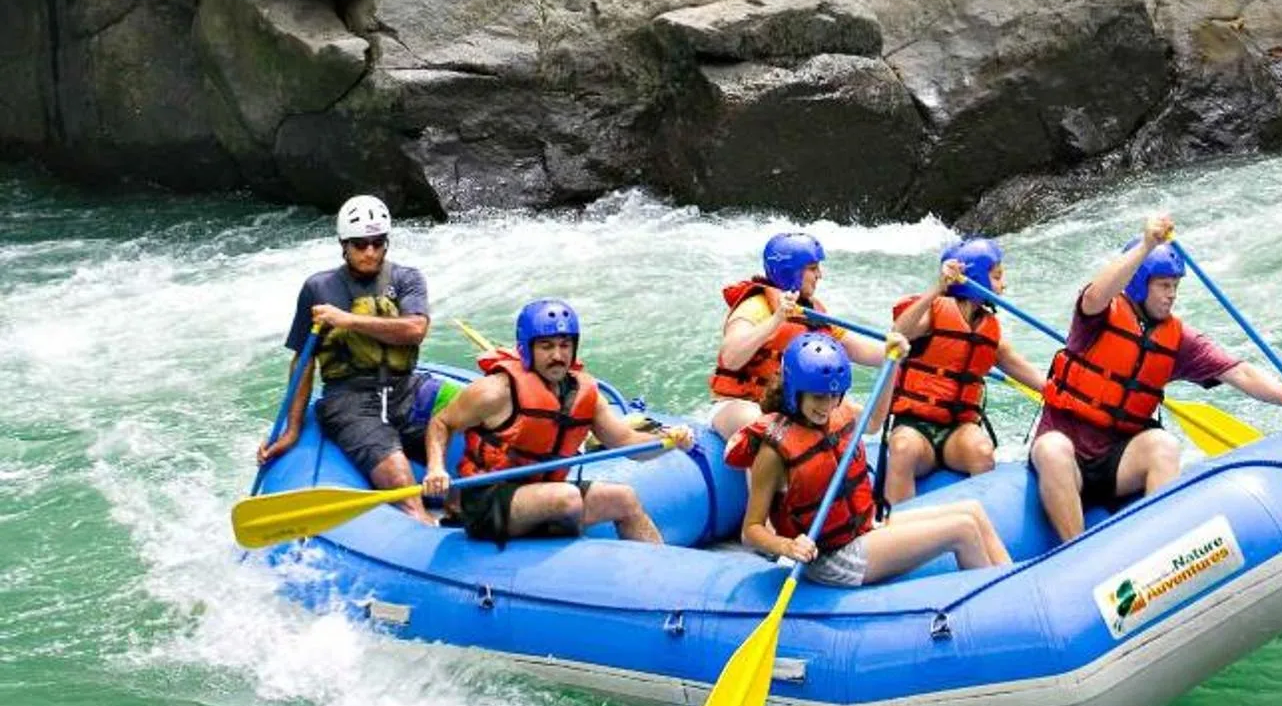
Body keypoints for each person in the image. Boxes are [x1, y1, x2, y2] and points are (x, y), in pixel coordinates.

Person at [1029, 212, 1282, 544]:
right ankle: (1078, 551)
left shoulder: (1178, 339)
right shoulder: (1097, 318)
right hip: (1066, 451)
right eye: (1164, 286)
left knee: (1164, 445)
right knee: (1052, 449)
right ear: (1140, 284)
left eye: (1175, 287)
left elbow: (1239, 372)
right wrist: (1146, 245)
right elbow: (1095, 296)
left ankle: (1160, 546)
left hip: (1117, 460)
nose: (1172, 295)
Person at [739, 334, 1010, 587]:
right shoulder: (773, 452)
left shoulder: (836, 413)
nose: (827, 405)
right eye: (818, 397)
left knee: (972, 510)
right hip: (832, 558)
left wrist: (891, 365)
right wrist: (788, 547)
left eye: (835, 395)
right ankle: (995, 611)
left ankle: (1013, 592)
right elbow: (751, 529)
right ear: (794, 392)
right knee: (961, 529)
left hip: (863, 528)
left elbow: (874, 422)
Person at [421, 300, 690, 545]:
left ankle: (655, 574)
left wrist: (669, 441)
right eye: (546, 346)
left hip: (543, 492)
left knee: (625, 498)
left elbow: (628, 443)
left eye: (564, 345)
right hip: (488, 500)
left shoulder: (586, 395)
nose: (558, 356)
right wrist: (435, 468)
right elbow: (441, 423)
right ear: (527, 349)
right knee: (567, 498)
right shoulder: (496, 392)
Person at [260, 193, 434, 518]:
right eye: (360, 244)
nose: (369, 251)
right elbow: (303, 361)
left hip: (406, 390)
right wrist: (293, 429)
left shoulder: (407, 278)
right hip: (351, 401)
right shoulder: (318, 288)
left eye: (377, 242)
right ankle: (422, 525)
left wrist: (347, 319)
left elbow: (415, 329)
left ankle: (472, 506)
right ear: (344, 245)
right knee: (399, 479)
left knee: (478, 428)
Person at [882, 236, 1044, 504]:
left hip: (957, 430)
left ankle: (981, 522)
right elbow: (900, 332)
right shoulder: (932, 313)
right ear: (977, 277)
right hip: (915, 426)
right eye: (996, 276)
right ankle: (899, 526)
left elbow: (1032, 376)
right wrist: (936, 288)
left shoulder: (990, 331)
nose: (1003, 284)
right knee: (902, 449)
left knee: (982, 451)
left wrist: (1063, 391)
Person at [707, 229, 881, 450]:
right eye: (812, 268)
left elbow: (857, 347)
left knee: (859, 418)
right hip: (740, 405)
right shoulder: (755, 306)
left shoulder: (812, 311)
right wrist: (777, 319)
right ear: (790, 272)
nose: (820, 275)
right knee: (768, 429)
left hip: (792, 405)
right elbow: (730, 358)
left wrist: (899, 352)